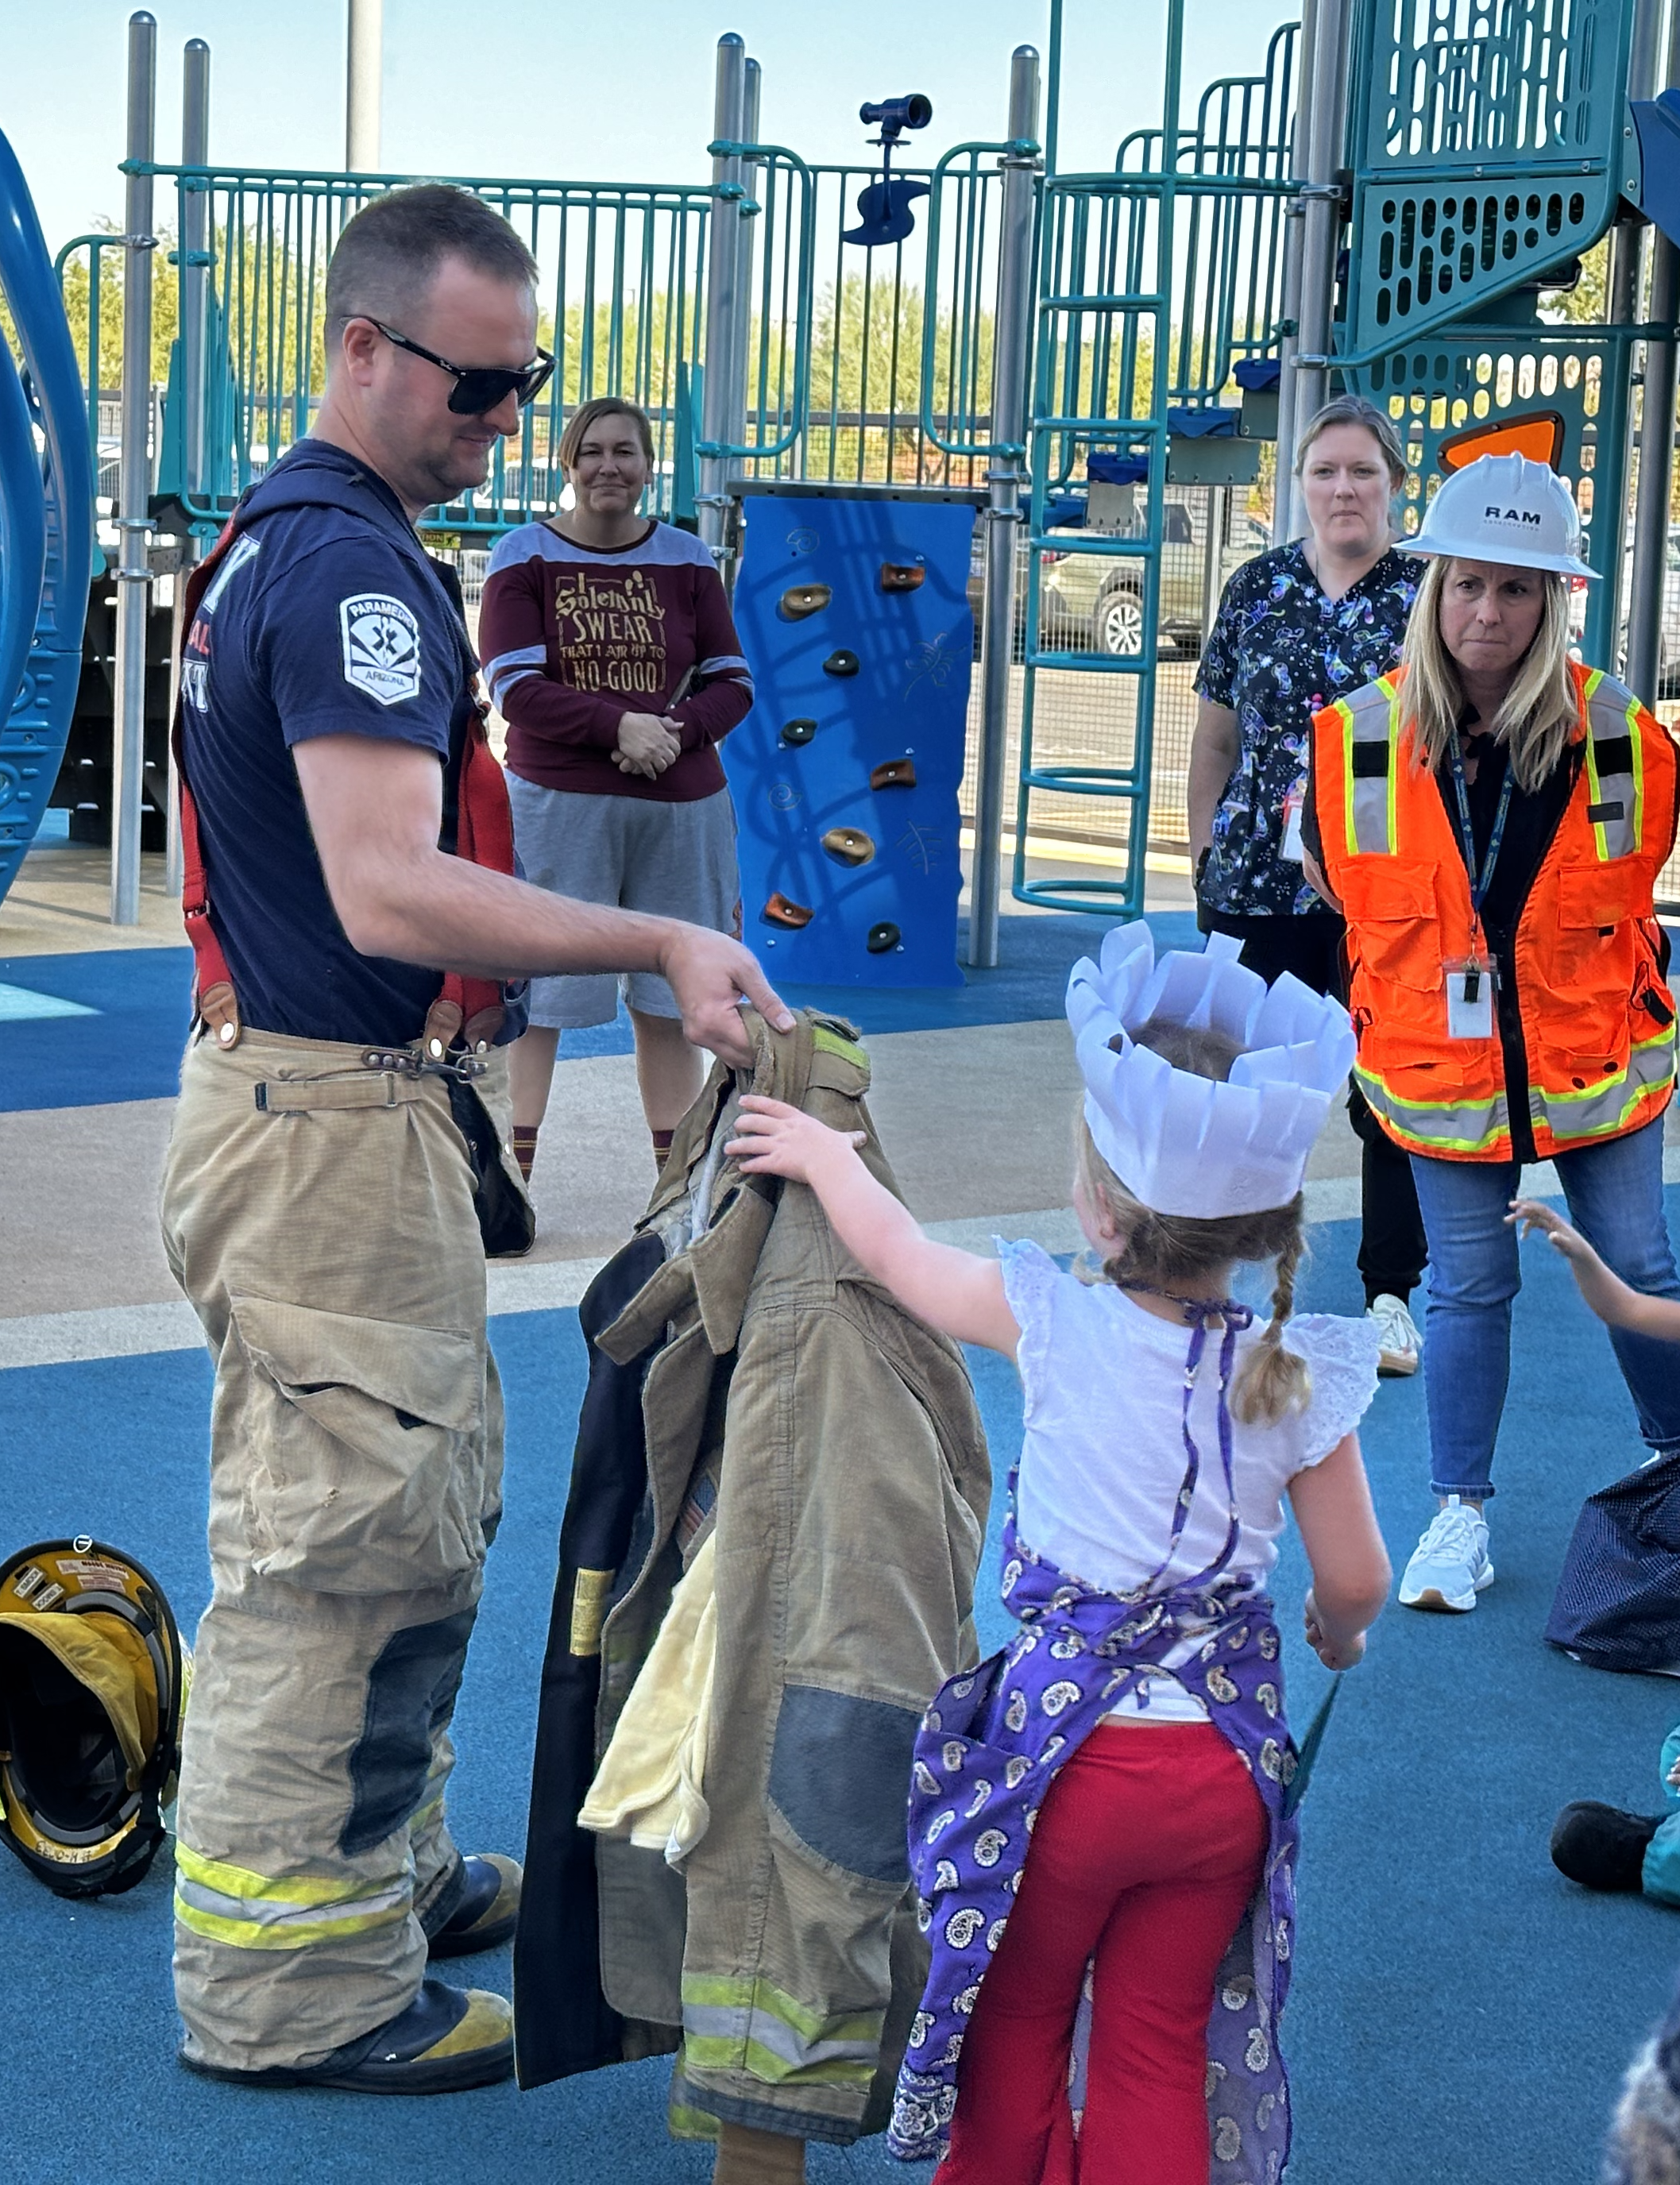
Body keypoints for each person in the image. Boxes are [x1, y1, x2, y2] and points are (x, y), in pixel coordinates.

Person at [161, 183, 789, 2097]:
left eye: (524, 389)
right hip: (326, 1119)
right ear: (362, 346)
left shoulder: (309, 542)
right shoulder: (347, 575)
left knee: (409, 1511)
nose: (503, 425)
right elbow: (384, 888)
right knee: (339, 1550)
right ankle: (291, 1988)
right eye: (479, 385)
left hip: (329, 1111)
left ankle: (381, 1872)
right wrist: (661, 940)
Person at [725, 925, 1392, 2185]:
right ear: (1263, 1219)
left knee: (1015, 2027)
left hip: (1062, 1771)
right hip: (1214, 1776)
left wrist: (823, 1148)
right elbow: (1353, 1576)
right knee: (1152, 2039)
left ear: (1096, 1201)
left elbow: (896, 1256)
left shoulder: (1052, 1316)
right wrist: (1336, 1633)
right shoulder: (1293, 1371)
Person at [1305, 450, 1680, 1619]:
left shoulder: (1621, 735)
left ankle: (1673, 1469)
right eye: (1466, 583)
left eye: (1514, 589)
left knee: (1639, 1263)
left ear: (1551, 600)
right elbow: (1337, 892)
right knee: (1466, 1289)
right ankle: (1456, 1514)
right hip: (1437, 1071)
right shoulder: (1353, 736)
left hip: (1593, 1063)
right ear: (1431, 587)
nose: (1485, 610)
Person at [1189, 393, 1428, 1375]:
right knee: (1238, 1085)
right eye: (1324, 471)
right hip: (1251, 883)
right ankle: (1208, 1280)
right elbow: (1214, 734)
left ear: (1395, 488)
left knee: (1387, 1086)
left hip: (1383, 893)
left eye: (1362, 471)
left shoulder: (1432, 595)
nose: (1342, 489)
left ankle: (1391, 1293)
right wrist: (1206, 849)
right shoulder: (1256, 588)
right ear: (1299, 485)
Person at [478, 396, 752, 1183]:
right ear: (568, 464)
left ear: (648, 465)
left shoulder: (690, 561)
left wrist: (673, 732)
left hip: (684, 809)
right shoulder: (521, 556)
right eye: (592, 451)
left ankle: (678, 1191)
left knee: (673, 1006)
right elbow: (514, 686)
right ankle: (510, 1185)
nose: (609, 466)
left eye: (625, 452)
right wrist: (619, 728)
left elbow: (733, 683)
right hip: (560, 809)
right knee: (536, 1006)